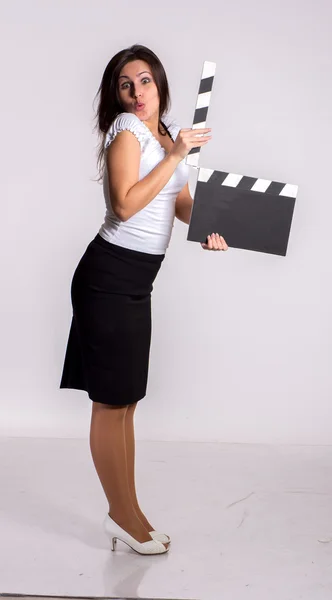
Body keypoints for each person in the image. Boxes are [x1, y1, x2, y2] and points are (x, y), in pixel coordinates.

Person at [60, 44, 228, 556]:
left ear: (160, 84)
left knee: (128, 401)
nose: (137, 93)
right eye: (126, 84)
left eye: (145, 81)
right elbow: (127, 204)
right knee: (110, 403)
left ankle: (130, 513)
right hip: (108, 277)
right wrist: (177, 154)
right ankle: (121, 516)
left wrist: (209, 227)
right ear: (117, 94)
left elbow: (176, 201)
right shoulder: (127, 132)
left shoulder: (163, 132)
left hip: (137, 281)